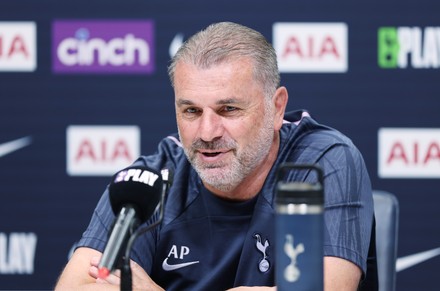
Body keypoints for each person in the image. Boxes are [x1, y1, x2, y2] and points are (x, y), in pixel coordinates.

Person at [55, 21, 377, 291]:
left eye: (229, 109)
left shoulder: (322, 162)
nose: (207, 133)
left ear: (276, 108)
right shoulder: (151, 181)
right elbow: (78, 285)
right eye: (192, 111)